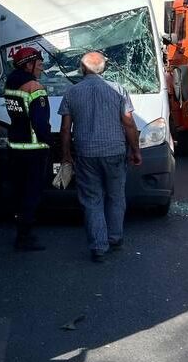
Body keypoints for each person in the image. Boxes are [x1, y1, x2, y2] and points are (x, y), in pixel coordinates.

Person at [59, 51, 142, 263]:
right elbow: (129, 123)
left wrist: (66, 155)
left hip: (86, 153)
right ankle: (115, 237)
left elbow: (66, 129)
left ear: (82, 68)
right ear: (102, 68)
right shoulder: (118, 90)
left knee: (91, 199)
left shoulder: (71, 92)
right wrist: (136, 150)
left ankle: (98, 246)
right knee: (115, 195)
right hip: (115, 151)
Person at [2, 46, 53, 251]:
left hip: (16, 145)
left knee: (20, 190)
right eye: (39, 64)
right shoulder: (34, 87)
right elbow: (40, 122)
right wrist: (49, 141)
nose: (41, 68)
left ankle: (20, 231)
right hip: (34, 147)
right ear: (28, 64)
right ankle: (25, 237)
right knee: (32, 191)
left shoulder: (10, 83)